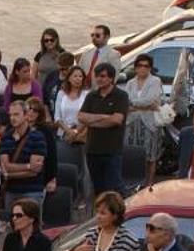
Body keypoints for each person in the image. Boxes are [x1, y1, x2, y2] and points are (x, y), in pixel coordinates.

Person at [79, 63, 130, 196]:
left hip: (112, 151)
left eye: (103, 76)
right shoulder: (91, 96)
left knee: (113, 190)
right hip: (92, 150)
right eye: (97, 76)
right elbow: (81, 117)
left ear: (111, 78)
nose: (99, 79)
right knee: (98, 190)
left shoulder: (121, 96)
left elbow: (116, 120)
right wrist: (104, 117)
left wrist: (92, 120)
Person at [122, 55, 166, 184]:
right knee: (133, 156)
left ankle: (148, 185)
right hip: (131, 124)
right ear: (135, 68)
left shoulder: (155, 81)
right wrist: (146, 106)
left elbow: (151, 99)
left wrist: (134, 105)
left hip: (149, 124)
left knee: (150, 158)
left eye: (146, 66)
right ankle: (134, 184)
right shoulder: (130, 83)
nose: (142, 68)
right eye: (140, 65)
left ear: (150, 68)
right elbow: (126, 102)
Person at [0, 98, 51, 205]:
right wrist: (28, 166)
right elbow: (6, 166)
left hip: (32, 191)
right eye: (11, 115)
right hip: (11, 191)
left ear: (26, 115)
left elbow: (35, 171)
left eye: (16, 114)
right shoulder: (6, 137)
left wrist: (10, 174)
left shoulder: (38, 137)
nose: (12, 118)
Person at [53, 64, 91, 199]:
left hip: (81, 135)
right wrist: (68, 131)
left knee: (81, 167)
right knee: (64, 165)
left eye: (80, 76)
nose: (78, 79)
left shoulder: (87, 94)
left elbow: (87, 116)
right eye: (75, 76)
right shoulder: (61, 94)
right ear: (68, 78)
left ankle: (83, 196)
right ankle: (67, 195)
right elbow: (57, 117)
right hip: (63, 134)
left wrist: (75, 132)